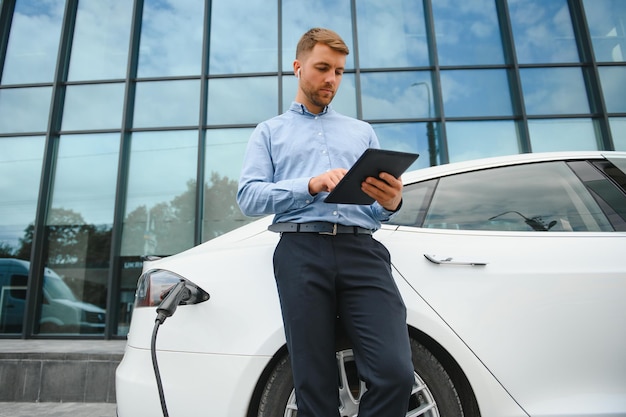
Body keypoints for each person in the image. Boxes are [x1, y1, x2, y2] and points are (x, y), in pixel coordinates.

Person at [237, 27, 414, 417]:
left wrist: (390, 203)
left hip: (361, 250)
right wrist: (310, 184)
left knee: (395, 373)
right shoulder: (269, 132)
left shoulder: (362, 132)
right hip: (301, 252)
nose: (331, 79)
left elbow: (374, 211)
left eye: (338, 71)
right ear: (298, 68)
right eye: (322, 68)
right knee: (314, 385)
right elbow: (248, 197)